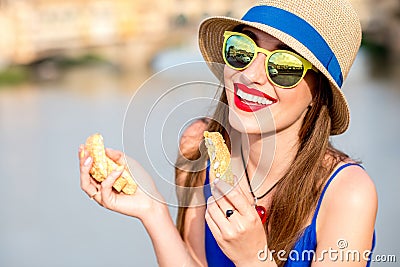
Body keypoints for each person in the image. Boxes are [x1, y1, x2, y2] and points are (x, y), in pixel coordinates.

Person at [79, 0, 377, 266]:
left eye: (284, 66)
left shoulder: (349, 194)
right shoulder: (199, 148)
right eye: (243, 50)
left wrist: (253, 258)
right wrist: (153, 209)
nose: (249, 75)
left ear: (319, 92)